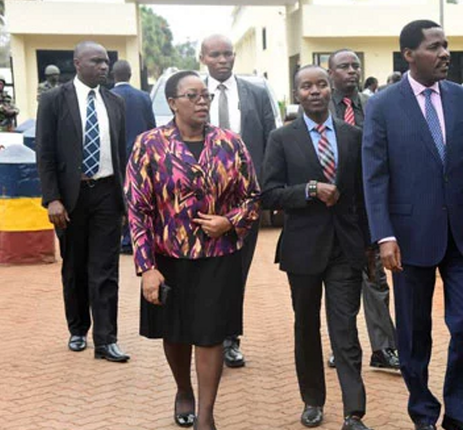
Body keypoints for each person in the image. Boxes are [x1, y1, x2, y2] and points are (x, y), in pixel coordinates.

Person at [363, 20, 463, 430]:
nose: (445, 54)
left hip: (462, 233)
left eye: (446, 45)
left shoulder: (461, 99)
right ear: (409, 56)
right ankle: (422, 410)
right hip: (408, 238)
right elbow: (375, 175)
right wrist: (384, 235)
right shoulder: (382, 105)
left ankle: (461, 413)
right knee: (414, 336)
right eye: (434, 47)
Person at [126, 70, 260, 430]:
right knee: (176, 331)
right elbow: (138, 209)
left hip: (218, 255)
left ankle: (205, 413)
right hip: (169, 256)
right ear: (172, 102)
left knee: (211, 332)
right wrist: (146, 267)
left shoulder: (231, 143)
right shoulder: (148, 145)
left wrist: (230, 221)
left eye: (206, 96)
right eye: (193, 96)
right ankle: (183, 389)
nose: (202, 101)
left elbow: (252, 197)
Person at [260, 65, 371, 430]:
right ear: (297, 94)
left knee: (345, 328)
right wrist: (309, 190)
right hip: (303, 249)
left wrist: (370, 246)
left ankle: (354, 411)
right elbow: (269, 194)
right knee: (306, 327)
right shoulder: (282, 138)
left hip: (345, 247)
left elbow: (364, 194)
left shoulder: (353, 135)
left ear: (331, 89)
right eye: (306, 86)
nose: (314, 91)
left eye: (320, 84)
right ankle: (312, 400)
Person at [35, 41, 129, 362]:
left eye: (106, 62)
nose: (103, 67)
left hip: (106, 194)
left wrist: (125, 200)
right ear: (77, 63)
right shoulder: (52, 101)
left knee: (105, 268)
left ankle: (106, 339)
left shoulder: (115, 103)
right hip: (70, 198)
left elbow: (121, 154)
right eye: (95, 61)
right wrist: (52, 199)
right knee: (75, 267)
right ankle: (78, 330)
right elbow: (45, 154)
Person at [200, 34, 277, 368]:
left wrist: (268, 191)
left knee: (236, 272)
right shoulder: (193, 94)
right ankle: (204, 335)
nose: (223, 60)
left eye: (227, 54)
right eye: (215, 55)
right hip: (200, 203)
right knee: (203, 273)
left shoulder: (257, 94)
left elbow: (272, 144)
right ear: (202, 58)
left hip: (245, 202)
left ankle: (231, 339)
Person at [325, 49, 399, 372]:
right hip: (333, 211)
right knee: (340, 284)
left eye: (356, 65)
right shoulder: (320, 109)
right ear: (331, 73)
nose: (351, 71)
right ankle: (342, 346)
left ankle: (383, 348)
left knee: (376, 279)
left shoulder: (373, 106)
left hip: (370, 209)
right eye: (344, 66)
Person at [111, 59, 156, 255]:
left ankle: (122, 237)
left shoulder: (108, 97)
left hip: (114, 156)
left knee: (117, 195)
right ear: (130, 75)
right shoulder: (144, 97)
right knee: (137, 194)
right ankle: (132, 238)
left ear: (114, 75)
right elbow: (152, 127)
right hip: (139, 155)